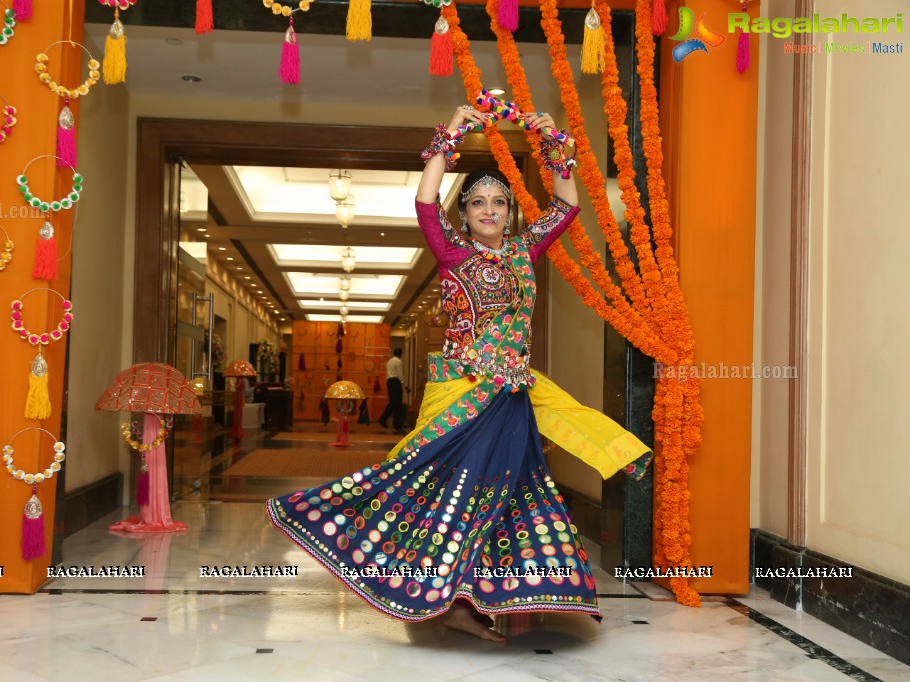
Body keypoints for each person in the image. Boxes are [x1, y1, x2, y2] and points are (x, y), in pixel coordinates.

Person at [268, 105, 651, 642]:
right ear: (465, 212)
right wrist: (450, 136)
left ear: (509, 211)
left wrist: (551, 143)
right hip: (461, 393)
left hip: (512, 395)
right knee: (445, 491)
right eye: (478, 202)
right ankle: (445, 601)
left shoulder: (524, 251)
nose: (489, 210)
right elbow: (424, 201)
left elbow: (566, 204)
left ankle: (509, 592)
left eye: (498, 202)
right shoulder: (451, 253)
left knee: (513, 491)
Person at [378, 348, 406, 433]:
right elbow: (400, 373)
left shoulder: (389, 361)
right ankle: (396, 423)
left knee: (392, 402)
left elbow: (387, 373)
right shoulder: (398, 361)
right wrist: (403, 384)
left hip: (389, 381)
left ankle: (383, 419)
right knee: (398, 403)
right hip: (396, 382)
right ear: (400, 354)